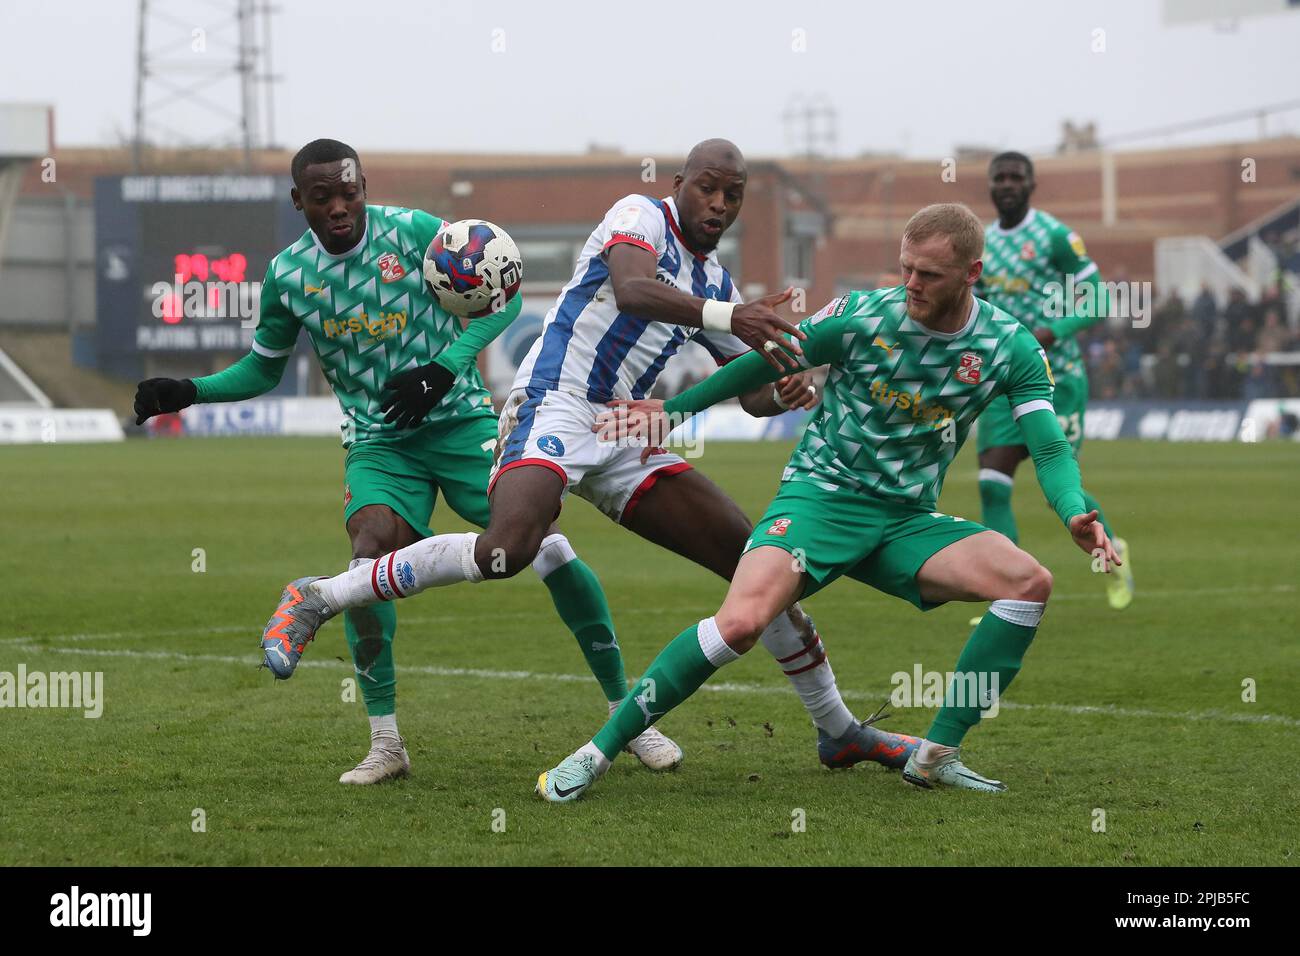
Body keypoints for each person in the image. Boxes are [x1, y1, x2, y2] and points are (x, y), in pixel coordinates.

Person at [263, 139, 924, 778]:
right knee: (507, 551)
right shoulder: (638, 217)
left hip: (621, 429)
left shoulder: (714, 281)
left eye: (733, 194)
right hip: (553, 404)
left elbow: (747, 390)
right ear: (679, 186)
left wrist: (779, 389)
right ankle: (321, 595)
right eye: (707, 188)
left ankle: (837, 730)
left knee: (757, 563)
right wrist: (730, 316)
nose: (719, 204)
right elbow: (635, 290)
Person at [134, 138, 681, 783]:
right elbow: (264, 367)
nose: (339, 206)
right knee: (368, 552)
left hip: (461, 426)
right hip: (380, 442)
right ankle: (386, 744)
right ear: (298, 201)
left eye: (349, 191)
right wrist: (191, 391)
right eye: (322, 198)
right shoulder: (288, 275)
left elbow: (502, 297)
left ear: (363, 184)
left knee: (547, 548)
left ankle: (629, 716)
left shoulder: (417, 234)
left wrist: (446, 369)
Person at [535, 202, 1120, 801]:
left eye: (929, 275)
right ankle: (597, 752)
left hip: (906, 522)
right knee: (739, 623)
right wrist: (676, 409)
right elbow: (767, 360)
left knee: (1029, 582)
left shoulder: (1010, 346)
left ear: (971, 274)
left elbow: (1048, 449)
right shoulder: (862, 316)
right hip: (820, 500)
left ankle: (937, 753)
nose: (911, 285)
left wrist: (1073, 508)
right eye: (906, 269)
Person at [975, 151, 1134, 610]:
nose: (1007, 184)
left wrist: (1052, 330)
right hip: (1004, 378)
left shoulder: (1055, 237)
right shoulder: (981, 243)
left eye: (1015, 177)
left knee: (1059, 491)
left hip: (1056, 377)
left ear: (1031, 184)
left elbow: (1098, 299)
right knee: (991, 480)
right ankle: (1006, 593)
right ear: (990, 187)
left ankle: (1113, 546)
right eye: (999, 177)